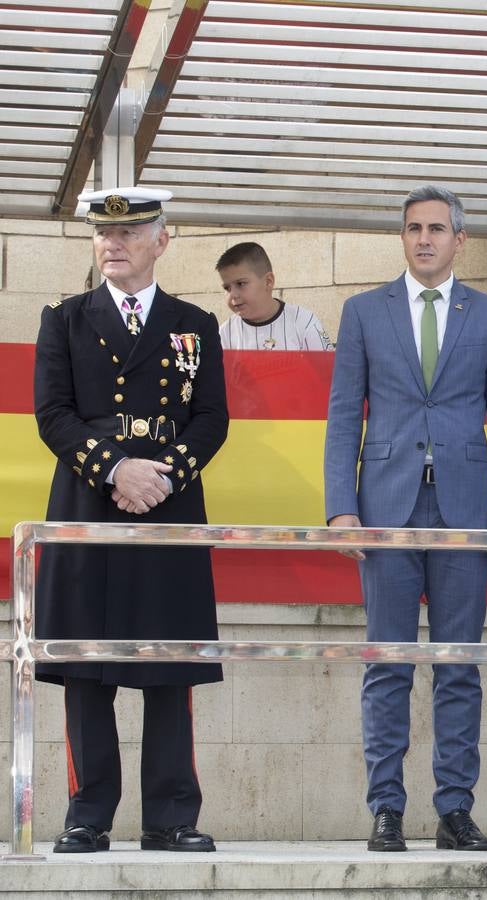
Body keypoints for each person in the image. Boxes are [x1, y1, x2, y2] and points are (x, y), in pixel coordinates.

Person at [324, 185, 487, 853]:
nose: (424, 239)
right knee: (388, 662)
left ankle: (454, 810)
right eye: (413, 228)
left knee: (457, 664)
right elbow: (342, 416)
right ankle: (385, 807)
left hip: (465, 510)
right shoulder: (363, 311)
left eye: (437, 228)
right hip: (385, 508)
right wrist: (341, 507)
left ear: (459, 239)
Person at [34, 187, 229, 853]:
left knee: (168, 662)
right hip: (90, 504)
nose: (112, 243)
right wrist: (115, 469)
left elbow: (211, 418)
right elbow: (53, 413)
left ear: (161, 241)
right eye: (103, 233)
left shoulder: (193, 323)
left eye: (130, 231)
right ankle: (88, 813)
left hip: (167, 510)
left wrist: (163, 474)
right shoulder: (64, 319)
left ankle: (171, 816)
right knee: (88, 664)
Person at [216, 242, 333, 350]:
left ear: (268, 282)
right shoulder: (225, 334)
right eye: (227, 288)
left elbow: (326, 369)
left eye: (241, 284)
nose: (233, 295)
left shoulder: (304, 322)